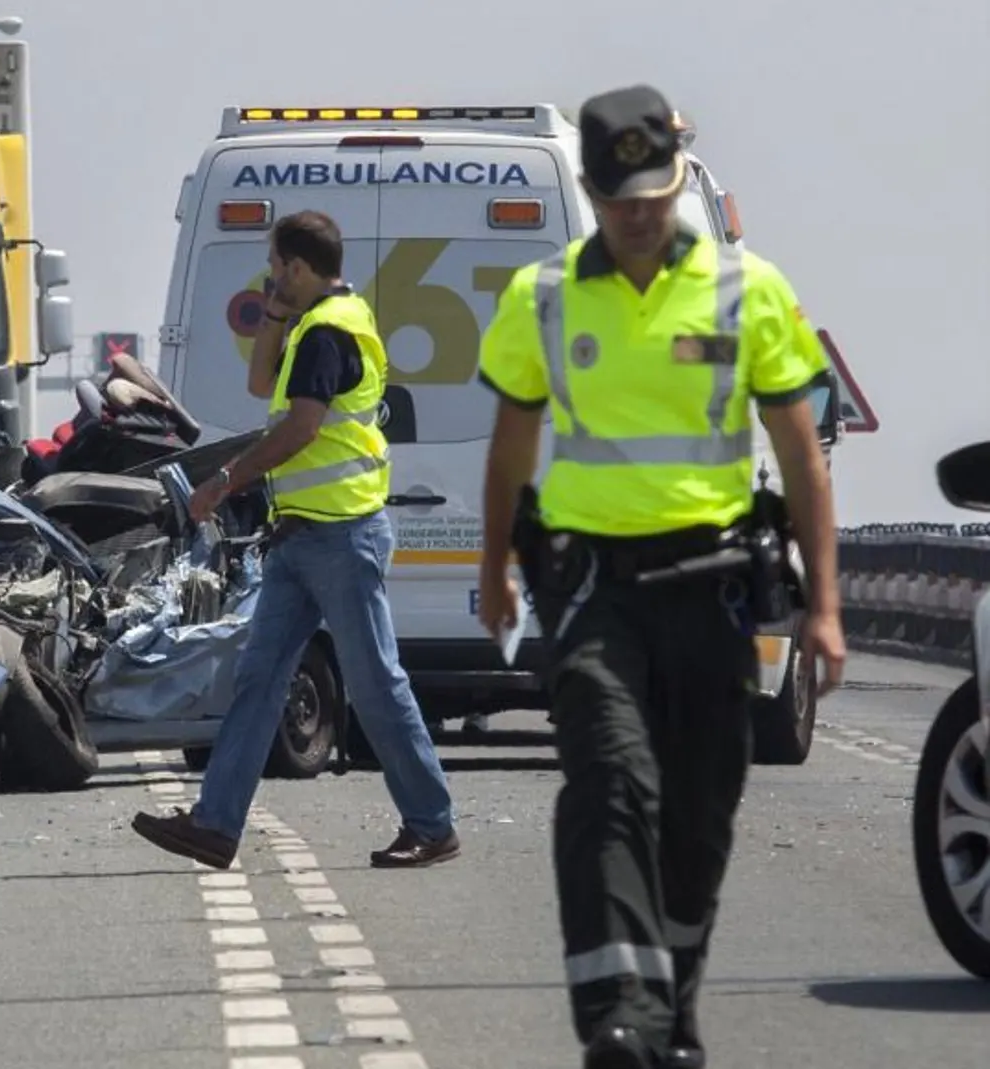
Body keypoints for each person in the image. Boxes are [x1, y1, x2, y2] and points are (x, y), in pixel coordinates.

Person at [472, 84, 846, 1069]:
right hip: (594, 588)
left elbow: (800, 455)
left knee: (697, 812)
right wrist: (493, 569)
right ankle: (617, 1012)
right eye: (621, 196)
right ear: (591, 192)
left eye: (656, 192)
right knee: (607, 779)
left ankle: (671, 1002)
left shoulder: (746, 287)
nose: (641, 213)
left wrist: (825, 606)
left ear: (679, 178)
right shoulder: (542, 297)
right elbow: (511, 444)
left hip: (715, 584)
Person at [130, 209, 459, 872]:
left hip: (342, 536)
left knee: (374, 684)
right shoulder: (312, 325)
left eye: (277, 267)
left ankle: (432, 823)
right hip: (301, 537)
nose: (270, 276)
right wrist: (276, 313)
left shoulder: (329, 333)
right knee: (258, 679)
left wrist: (224, 479)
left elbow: (301, 428)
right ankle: (215, 825)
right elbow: (261, 384)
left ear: (300, 267)